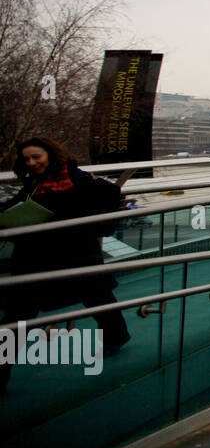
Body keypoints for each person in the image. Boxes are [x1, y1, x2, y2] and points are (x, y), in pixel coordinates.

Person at [1, 137, 132, 394]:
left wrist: (83, 223)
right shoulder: (34, 183)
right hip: (37, 258)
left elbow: (111, 194)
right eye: (27, 159)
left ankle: (116, 336)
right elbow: (17, 205)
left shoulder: (76, 178)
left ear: (50, 154)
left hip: (75, 252)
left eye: (36, 157)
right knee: (19, 313)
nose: (32, 163)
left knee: (96, 295)